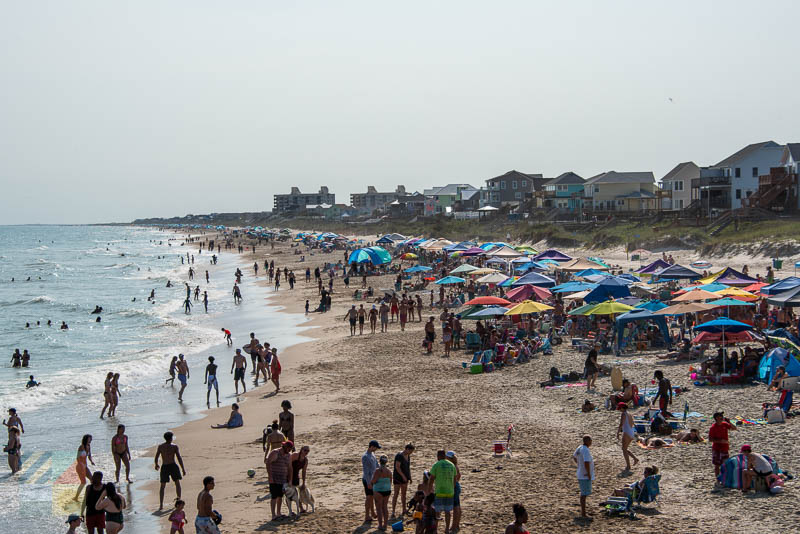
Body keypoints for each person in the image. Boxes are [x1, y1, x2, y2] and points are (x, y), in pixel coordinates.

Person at [155, 431, 187, 510]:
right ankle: (179, 499)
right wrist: (183, 468)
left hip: (165, 466)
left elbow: (156, 457)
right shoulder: (174, 446)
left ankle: (161, 504)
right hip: (172, 465)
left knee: (163, 486)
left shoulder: (161, 446)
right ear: (171, 438)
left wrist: (156, 464)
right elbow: (179, 458)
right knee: (177, 483)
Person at [428, 449, 456, 533]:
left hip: (439, 491)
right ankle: (447, 528)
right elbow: (455, 479)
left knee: (437, 512)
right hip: (449, 491)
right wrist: (452, 488)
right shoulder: (451, 465)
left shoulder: (436, 465)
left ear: (438, 456)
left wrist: (430, 489)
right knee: (448, 511)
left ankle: (435, 529)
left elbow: (431, 478)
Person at [266, 441, 293, 521]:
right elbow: (268, 463)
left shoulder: (288, 455)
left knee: (280, 496)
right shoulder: (275, 452)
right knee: (274, 496)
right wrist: (270, 477)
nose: (289, 450)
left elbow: (290, 468)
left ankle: (278, 513)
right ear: (284, 446)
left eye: (290, 449)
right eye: (288, 448)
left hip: (283, 479)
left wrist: (290, 479)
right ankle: (273, 515)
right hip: (274, 478)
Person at [709, 412, 737, 479]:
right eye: (719, 417)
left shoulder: (725, 424)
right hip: (716, 448)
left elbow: (734, 428)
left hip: (724, 448)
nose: (721, 418)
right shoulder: (713, 427)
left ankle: (725, 477)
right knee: (717, 465)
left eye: (721, 416)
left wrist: (729, 421)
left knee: (725, 464)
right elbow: (710, 439)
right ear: (716, 418)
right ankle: (717, 478)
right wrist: (720, 441)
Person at [572, 435, 594, 520]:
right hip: (584, 475)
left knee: (584, 494)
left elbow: (574, 457)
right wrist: (588, 473)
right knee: (584, 494)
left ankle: (583, 512)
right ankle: (583, 513)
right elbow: (586, 462)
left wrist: (579, 465)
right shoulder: (585, 450)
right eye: (590, 440)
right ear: (588, 441)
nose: (591, 442)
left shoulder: (580, 447)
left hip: (580, 473)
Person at [392, 443, 414, 517]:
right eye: (410, 451)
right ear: (407, 449)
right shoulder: (399, 456)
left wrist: (409, 477)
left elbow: (408, 467)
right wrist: (403, 476)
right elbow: (397, 467)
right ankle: (393, 511)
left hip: (405, 478)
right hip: (397, 477)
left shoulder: (408, 456)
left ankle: (404, 509)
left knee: (403, 495)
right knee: (396, 494)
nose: (411, 453)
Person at [370, 455, 393, 530]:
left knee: (379, 508)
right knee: (385, 507)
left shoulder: (378, 471)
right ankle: (385, 525)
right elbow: (390, 481)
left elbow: (374, 481)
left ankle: (380, 524)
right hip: (387, 490)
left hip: (378, 490)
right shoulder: (389, 471)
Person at [616, 403, 639, 471]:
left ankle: (628, 466)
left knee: (624, 449)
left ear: (622, 408)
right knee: (625, 449)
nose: (619, 410)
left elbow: (621, 423)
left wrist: (618, 432)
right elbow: (632, 423)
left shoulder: (623, 414)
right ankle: (635, 459)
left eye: (620, 408)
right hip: (631, 432)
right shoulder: (629, 414)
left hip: (626, 432)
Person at [362, 440, 380, 523]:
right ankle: (366, 515)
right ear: (372, 446)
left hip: (373, 479)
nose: (376, 449)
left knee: (372, 497)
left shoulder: (372, 454)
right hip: (367, 479)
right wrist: (369, 482)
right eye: (375, 447)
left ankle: (372, 513)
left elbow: (376, 465)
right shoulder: (365, 456)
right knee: (369, 497)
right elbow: (366, 471)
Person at [74, 435, 95, 501]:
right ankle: (76, 497)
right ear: (86, 439)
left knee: (92, 480)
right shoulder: (81, 447)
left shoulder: (89, 446)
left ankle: (91, 495)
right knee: (83, 482)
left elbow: (89, 456)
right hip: (80, 467)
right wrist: (81, 464)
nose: (90, 440)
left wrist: (91, 461)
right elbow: (77, 458)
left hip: (85, 467)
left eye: (91, 439)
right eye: (89, 439)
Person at [290, 446, 310, 512]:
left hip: (296, 476)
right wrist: (289, 478)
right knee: (289, 493)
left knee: (297, 493)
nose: (306, 452)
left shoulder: (305, 460)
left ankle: (301, 508)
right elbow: (288, 465)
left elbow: (304, 471)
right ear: (301, 450)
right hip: (288, 474)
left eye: (308, 451)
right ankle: (290, 511)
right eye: (305, 450)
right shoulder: (295, 455)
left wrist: (304, 482)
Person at [446, 451, 462, 532]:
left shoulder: (453, 466)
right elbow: (459, 476)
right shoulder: (455, 466)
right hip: (456, 486)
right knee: (457, 506)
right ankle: (456, 525)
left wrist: (451, 487)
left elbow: (456, 478)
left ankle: (454, 526)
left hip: (454, 487)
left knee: (456, 507)